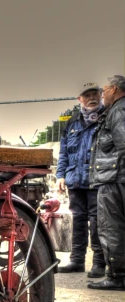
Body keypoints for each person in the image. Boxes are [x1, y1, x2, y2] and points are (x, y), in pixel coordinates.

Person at [56, 83, 106, 278]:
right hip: (75, 179)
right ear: (80, 99)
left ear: (101, 95)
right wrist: (60, 175)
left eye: (95, 94)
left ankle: (99, 263)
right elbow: (63, 152)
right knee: (78, 220)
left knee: (97, 223)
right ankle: (77, 261)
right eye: (87, 95)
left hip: (97, 179)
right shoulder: (72, 122)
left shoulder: (107, 117)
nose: (91, 97)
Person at [88, 75, 125, 291]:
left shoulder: (118, 110)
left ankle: (118, 277)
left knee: (111, 229)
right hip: (117, 176)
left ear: (113, 89)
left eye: (104, 90)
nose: (102, 95)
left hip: (114, 179)